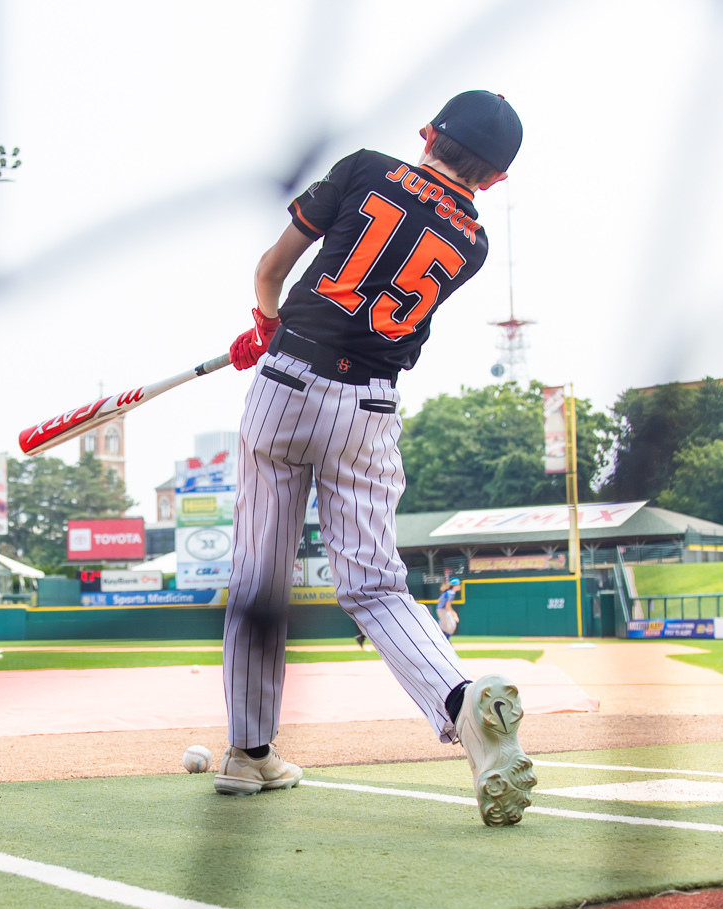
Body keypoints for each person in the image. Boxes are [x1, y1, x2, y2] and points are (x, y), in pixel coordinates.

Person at [212, 91, 537, 827]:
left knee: (259, 580)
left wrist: (265, 325)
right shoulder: (474, 243)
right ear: (494, 179)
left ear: (428, 132)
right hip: (369, 407)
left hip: (285, 382)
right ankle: (460, 701)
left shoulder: (363, 167)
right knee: (375, 585)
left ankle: (249, 752)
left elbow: (271, 270)